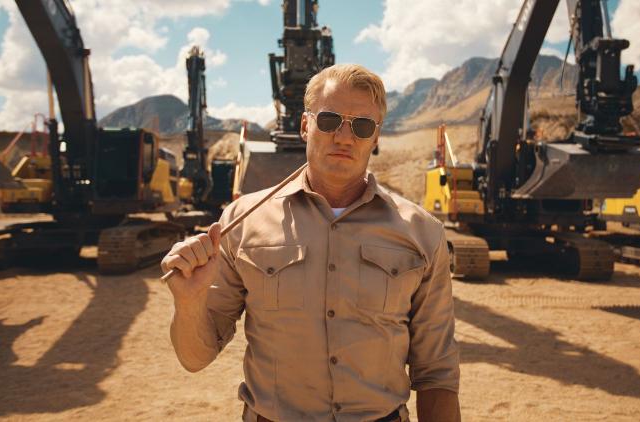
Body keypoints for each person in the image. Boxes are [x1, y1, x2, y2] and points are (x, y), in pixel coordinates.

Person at [161, 64, 460, 422]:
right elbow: (195, 358)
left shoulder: (422, 233)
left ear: (376, 137)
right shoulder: (242, 223)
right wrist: (189, 302)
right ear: (305, 125)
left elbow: (437, 372)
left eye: (362, 126)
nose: (344, 137)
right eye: (330, 120)